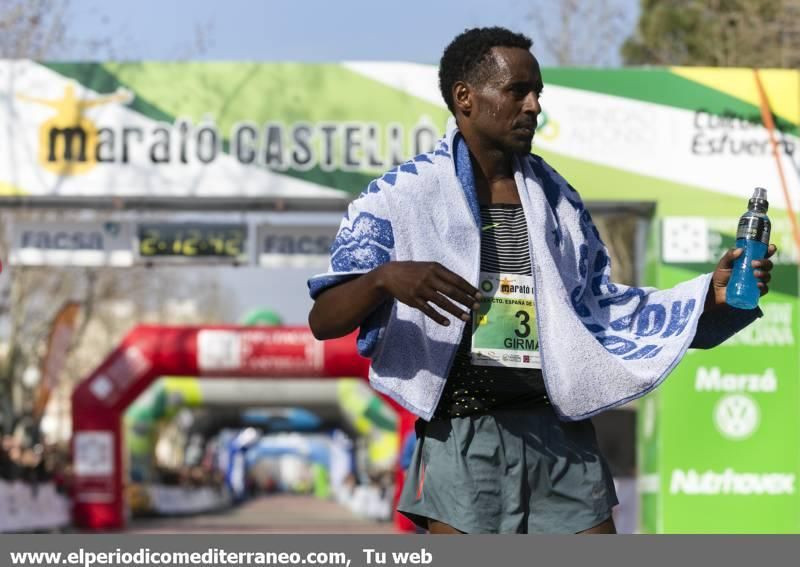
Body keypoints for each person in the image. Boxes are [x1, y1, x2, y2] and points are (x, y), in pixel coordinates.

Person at [307, 27, 776, 534]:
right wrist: (384, 279)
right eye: (517, 92)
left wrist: (711, 295)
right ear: (465, 98)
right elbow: (323, 319)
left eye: (538, 94)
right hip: (463, 440)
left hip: (562, 439)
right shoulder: (400, 198)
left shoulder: (559, 200)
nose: (533, 107)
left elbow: (603, 309)